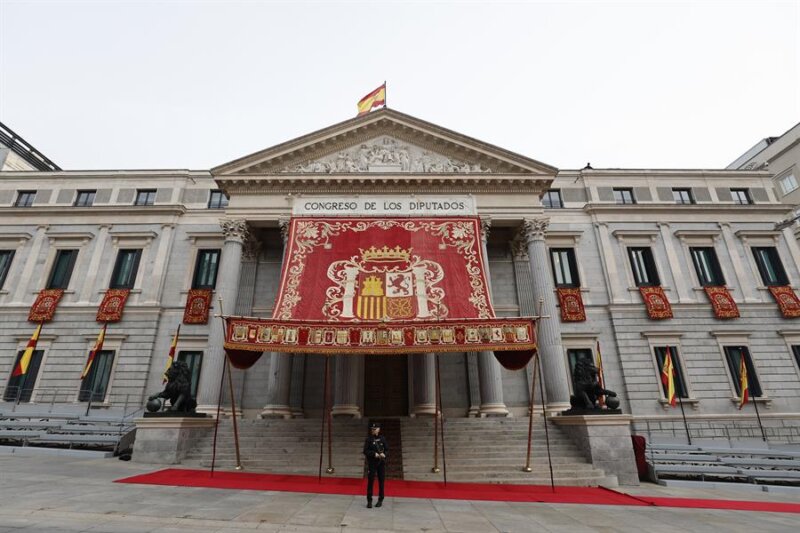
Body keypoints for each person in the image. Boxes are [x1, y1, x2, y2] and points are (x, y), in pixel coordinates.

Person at [363, 422, 388, 508]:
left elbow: (387, 449)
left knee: (381, 482)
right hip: (372, 463)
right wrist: (374, 454)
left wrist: (385, 454)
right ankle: (369, 500)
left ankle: (380, 499)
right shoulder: (369, 439)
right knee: (370, 482)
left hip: (381, 463)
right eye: (372, 429)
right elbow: (365, 451)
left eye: (375, 429)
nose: (373, 430)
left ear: (379, 430)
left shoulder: (382, 439)